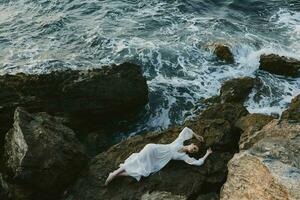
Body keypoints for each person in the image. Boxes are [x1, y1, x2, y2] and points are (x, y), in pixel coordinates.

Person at [105, 127, 212, 185]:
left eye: (194, 151)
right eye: (194, 148)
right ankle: (115, 173)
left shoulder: (183, 156)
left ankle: (116, 174)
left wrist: (207, 154)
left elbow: (198, 163)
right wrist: (197, 136)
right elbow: (186, 129)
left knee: (144, 172)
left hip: (157, 159)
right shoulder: (179, 141)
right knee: (138, 161)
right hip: (153, 149)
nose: (193, 150)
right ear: (191, 144)